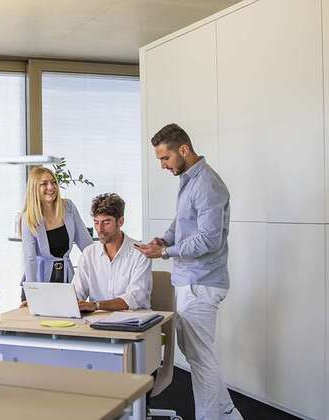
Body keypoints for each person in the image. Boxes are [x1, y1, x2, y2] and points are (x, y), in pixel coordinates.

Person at [135, 123, 242, 420]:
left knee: (201, 360)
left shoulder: (207, 184)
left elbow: (209, 239)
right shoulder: (188, 180)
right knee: (197, 355)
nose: (162, 165)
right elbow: (182, 223)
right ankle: (228, 413)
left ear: (183, 150)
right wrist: (164, 240)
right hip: (189, 280)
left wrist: (165, 253)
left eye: (165, 158)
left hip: (202, 282)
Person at [21, 167, 93, 296]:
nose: (51, 187)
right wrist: (31, 293)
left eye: (53, 182)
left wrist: (104, 265)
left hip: (65, 279)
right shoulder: (28, 217)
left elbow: (87, 244)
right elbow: (30, 258)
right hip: (38, 283)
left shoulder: (68, 207)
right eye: (44, 184)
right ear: (34, 188)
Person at [73, 193, 152, 312]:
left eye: (106, 223)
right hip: (97, 319)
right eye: (96, 222)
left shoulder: (140, 253)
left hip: (134, 318)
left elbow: (135, 297)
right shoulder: (89, 253)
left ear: (120, 221)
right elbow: (77, 292)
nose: (100, 229)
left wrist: (96, 305)